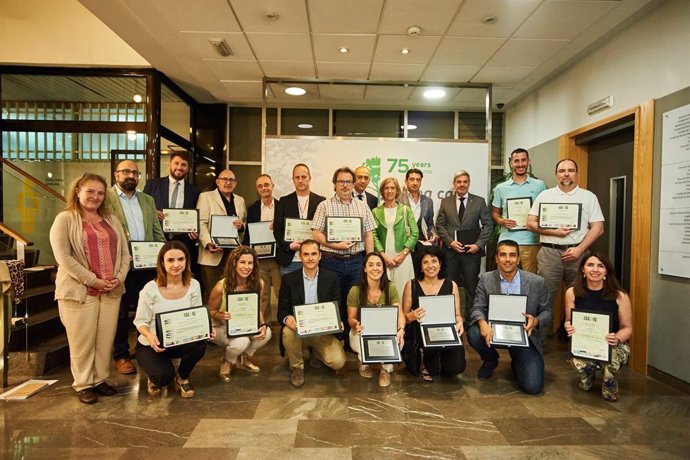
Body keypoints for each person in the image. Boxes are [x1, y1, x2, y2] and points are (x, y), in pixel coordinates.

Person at [49, 174, 130, 404]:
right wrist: (92, 280)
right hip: (80, 292)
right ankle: (83, 384)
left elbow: (125, 253)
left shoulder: (111, 219)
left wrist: (120, 277)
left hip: (111, 290)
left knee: (105, 339)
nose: (95, 197)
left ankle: (99, 380)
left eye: (100, 193)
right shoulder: (65, 219)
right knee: (82, 341)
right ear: (78, 191)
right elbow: (63, 257)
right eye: (90, 191)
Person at [527, 159, 604, 336]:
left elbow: (598, 228)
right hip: (549, 252)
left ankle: (579, 341)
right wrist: (555, 232)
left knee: (580, 297)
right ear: (556, 174)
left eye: (570, 170)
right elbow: (531, 223)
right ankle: (540, 340)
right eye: (562, 171)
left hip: (578, 253)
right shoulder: (545, 196)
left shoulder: (588, 197)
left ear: (576, 173)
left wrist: (579, 249)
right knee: (544, 298)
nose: (566, 174)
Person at [466, 240, 551, 395]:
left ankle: (518, 360)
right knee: (474, 332)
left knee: (533, 387)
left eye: (512, 255)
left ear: (518, 259)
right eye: (503, 255)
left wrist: (536, 321)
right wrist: (483, 323)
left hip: (524, 336)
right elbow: (477, 307)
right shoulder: (486, 279)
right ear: (497, 258)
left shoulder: (537, 282)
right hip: (494, 332)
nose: (507, 259)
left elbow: (547, 312)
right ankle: (490, 359)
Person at [105, 160, 165, 375]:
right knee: (121, 312)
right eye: (126, 171)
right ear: (116, 174)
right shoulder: (106, 199)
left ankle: (142, 347)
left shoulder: (147, 200)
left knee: (147, 308)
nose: (131, 175)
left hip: (147, 265)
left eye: (135, 172)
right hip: (120, 265)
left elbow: (156, 231)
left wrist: (162, 258)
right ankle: (120, 354)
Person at [134, 241, 207, 398]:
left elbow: (196, 316)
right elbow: (140, 322)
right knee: (162, 377)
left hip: (180, 339)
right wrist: (149, 336)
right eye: (170, 260)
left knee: (200, 344)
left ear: (186, 261)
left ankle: (181, 377)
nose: (176, 265)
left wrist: (206, 329)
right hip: (152, 344)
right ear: (162, 262)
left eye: (181, 259)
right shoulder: (150, 289)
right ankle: (156, 374)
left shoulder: (194, 285)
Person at [312, 166, 377, 338]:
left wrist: (369, 260)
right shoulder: (324, 206)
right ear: (334, 184)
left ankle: (352, 338)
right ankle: (334, 338)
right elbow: (316, 233)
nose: (345, 185)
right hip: (331, 261)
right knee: (333, 300)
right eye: (341, 181)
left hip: (356, 261)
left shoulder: (362, 207)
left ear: (354, 184)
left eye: (348, 182)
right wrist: (335, 245)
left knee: (355, 301)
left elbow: (369, 234)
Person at [564, 252, 632, 402]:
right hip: (585, 342)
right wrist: (568, 327)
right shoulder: (572, 293)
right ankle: (587, 375)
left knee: (612, 361)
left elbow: (627, 328)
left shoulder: (620, 295)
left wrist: (617, 338)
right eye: (590, 265)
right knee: (583, 368)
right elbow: (568, 320)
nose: (595, 270)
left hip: (612, 344)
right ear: (583, 269)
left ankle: (609, 384)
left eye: (600, 266)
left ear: (606, 271)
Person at [277, 240, 346, 388]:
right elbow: (282, 310)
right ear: (300, 257)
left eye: (314, 254)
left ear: (320, 256)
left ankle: (315, 352)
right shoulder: (289, 280)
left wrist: (338, 321)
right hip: (298, 331)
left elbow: (337, 306)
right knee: (287, 332)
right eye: (306, 254)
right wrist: (287, 318)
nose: (310, 258)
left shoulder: (331, 278)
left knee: (338, 363)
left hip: (322, 332)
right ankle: (297, 367)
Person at [401, 245, 466, 382]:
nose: (430, 266)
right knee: (433, 370)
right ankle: (426, 358)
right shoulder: (411, 285)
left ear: (440, 264)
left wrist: (459, 322)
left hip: (444, 333)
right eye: (425, 262)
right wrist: (411, 316)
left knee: (455, 368)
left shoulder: (451, 285)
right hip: (420, 335)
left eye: (434, 261)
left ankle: (440, 357)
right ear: (420, 266)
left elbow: (457, 315)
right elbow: (403, 318)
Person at [208, 246, 272, 382]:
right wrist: (220, 315)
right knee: (242, 341)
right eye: (242, 262)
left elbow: (258, 308)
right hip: (220, 326)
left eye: (250, 263)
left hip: (245, 323)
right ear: (234, 263)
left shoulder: (258, 283)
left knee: (267, 334)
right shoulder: (221, 287)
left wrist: (262, 325)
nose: (246, 267)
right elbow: (211, 311)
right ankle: (227, 361)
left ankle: (243, 358)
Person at [436, 170, 493, 317]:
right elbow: (440, 225)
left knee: (471, 287)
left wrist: (478, 244)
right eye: (459, 182)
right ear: (454, 184)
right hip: (451, 253)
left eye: (465, 182)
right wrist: (450, 242)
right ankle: (450, 317)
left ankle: (470, 319)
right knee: (449, 286)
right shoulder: (445, 202)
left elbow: (488, 225)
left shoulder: (479, 201)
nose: (462, 185)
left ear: (469, 183)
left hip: (471, 253)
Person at [347, 253, 405, 387]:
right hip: (363, 332)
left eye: (379, 265)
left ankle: (385, 370)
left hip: (385, 331)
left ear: (383, 269)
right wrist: (356, 325)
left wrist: (401, 329)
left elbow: (399, 313)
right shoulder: (355, 290)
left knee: (399, 341)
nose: (375, 268)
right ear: (364, 269)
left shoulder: (390, 288)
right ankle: (363, 362)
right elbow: (351, 318)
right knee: (360, 344)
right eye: (370, 265)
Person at [143, 151, 201, 282]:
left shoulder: (195, 191)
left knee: (181, 277)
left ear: (188, 168)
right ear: (169, 164)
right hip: (159, 239)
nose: (179, 167)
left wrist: (195, 230)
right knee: (157, 277)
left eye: (184, 165)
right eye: (176, 163)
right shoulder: (153, 185)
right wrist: (152, 213)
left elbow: (198, 216)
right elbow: (143, 209)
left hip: (184, 242)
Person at [491, 148, 547, 273]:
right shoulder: (500, 188)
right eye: (516, 161)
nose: (520, 164)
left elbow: (545, 212)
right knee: (504, 279)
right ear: (511, 163)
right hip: (507, 241)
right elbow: (495, 212)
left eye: (523, 160)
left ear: (529, 162)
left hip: (531, 242)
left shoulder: (539, 185)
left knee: (530, 280)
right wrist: (501, 221)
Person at [197, 169, 247, 300]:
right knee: (213, 294)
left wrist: (241, 226)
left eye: (231, 180)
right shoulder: (206, 197)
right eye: (225, 179)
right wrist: (207, 243)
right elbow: (200, 223)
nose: (228, 183)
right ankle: (214, 320)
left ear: (235, 183)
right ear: (217, 181)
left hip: (233, 256)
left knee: (232, 294)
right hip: (211, 255)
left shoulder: (240, 200)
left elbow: (244, 223)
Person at [273, 164, 326, 276]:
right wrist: (289, 245)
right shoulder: (284, 201)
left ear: (309, 178)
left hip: (313, 259)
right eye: (297, 177)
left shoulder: (321, 202)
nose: (300, 180)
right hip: (290, 260)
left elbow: (323, 229)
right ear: (293, 179)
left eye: (303, 177)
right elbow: (277, 230)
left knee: (313, 292)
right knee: (289, 293)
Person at [243, 174, 281, 322]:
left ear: (272, 186)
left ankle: (285, 322)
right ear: (257, 189)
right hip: (259, 259)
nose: (264, 188)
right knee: (262, 293)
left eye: (266, 184)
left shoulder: (281, 206)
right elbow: (248, 234)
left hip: (278, 258)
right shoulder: (252, 209)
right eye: (260, 186)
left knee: (281, 292)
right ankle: (263, 324)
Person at [372, 177, 418, 294]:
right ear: (382, 191)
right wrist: (383, 255)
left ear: (397, 190)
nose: (389, 191)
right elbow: (373, 235)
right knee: (384, 291)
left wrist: (402, 255)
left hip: (402, 256)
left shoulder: (405, 210)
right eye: (386, 188)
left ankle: (404, 312)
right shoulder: (375, 211)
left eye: (392, 188)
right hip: (383, 258)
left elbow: (415, 233)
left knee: (403, 290)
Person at [400, 168, 437, 247]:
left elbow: (430, 224)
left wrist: (433, 234)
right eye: (412, 179)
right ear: (406, 181)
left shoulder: (428, 201)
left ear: (421, 182)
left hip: (422, 244)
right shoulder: (398, 199)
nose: (415, 183)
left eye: (418, 180)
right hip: (403, 244)